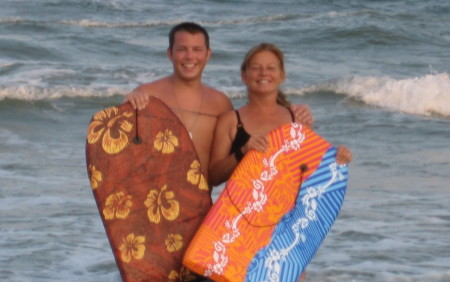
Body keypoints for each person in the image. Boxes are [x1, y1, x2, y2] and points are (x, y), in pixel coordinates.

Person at [125, 22, 313, 183]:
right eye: (182, 49)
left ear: (207, 54)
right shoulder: (147, 95)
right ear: (170, 53)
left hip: (202, 210)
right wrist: (128, 104)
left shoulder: (220, 104)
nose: (190, 56)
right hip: (152, 205)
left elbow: (256, 163)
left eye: (197, 49)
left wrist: (292, 114)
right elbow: (119, 151)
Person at [209, 43, 352, 187]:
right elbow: (214, 177)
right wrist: (243, 152)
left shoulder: (297, 119)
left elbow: (311, 171)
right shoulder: (231, 121)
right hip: (245, 206)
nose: (264, 73)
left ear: (282, 75)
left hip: (286, 207)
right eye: (255, 68)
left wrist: (338, 158)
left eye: (271, 68)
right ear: (244, 76)